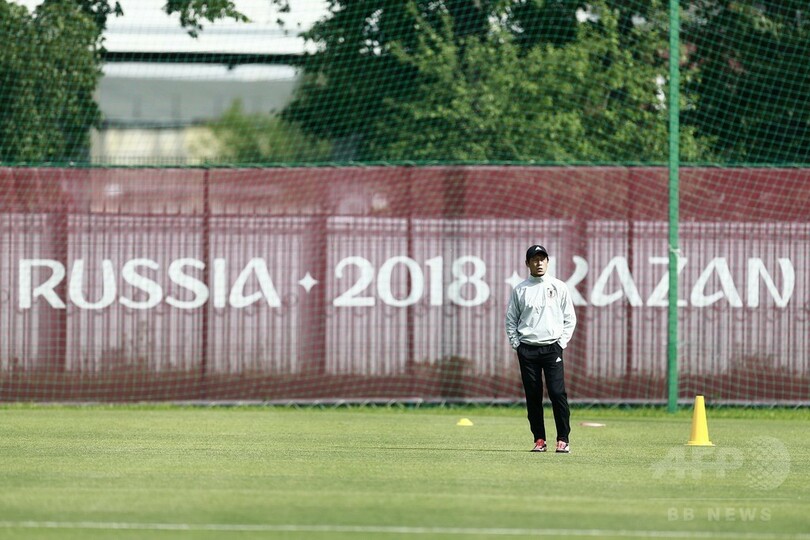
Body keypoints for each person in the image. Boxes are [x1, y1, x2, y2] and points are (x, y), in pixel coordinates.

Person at [505, 244, 577, 453]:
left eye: (542, 259)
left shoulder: (559, 286)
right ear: (527, 263)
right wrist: (517, 345)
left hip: (552, 348)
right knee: (533, 396)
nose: (539, 263)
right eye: (534, 260)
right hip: (527, 350)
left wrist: (561, 343)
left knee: (557, 393)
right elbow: (511, 320)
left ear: (547, 262)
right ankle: (539, 440)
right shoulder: (520, 289)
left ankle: (563, 439)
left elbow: (570, 318)